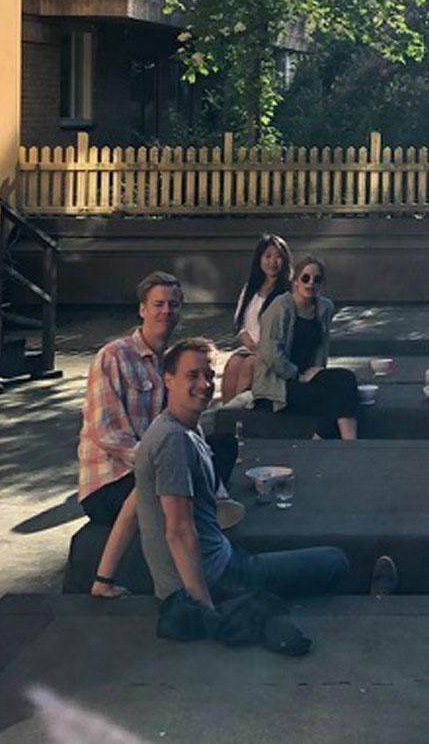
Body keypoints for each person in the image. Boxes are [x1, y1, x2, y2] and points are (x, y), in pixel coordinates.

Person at [136, 338, 356, 632]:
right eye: (192, 376)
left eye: (209, 376)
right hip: (217, 578)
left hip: (220, 559)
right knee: (335, 561)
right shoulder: (173, 440)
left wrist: (103, 577)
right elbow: (178, 531)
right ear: (168, 379)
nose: (204, 384)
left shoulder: (182, 427)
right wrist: (204, 607)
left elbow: (133, 505)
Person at [79, 271, 235, 599]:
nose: (166, 311)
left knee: (222, 445)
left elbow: (188, 430)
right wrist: (156, 462)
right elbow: (107, 432)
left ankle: (212, 507)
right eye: (158, 304)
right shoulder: (113, 356)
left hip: (158, 463)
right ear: (142, 310)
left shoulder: (174, 363)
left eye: (173, 305)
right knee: (155, 484)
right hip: (111, 479)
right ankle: (105, 579)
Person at [251, 256, 361, 440]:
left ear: (322, 283)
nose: (310, 283)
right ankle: (345, 441)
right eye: (305, 278)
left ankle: (332, 438)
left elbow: (321, 346)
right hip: (279, 385)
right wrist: (297, 375)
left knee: (346, 378)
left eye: (316, 279)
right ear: (295, 280)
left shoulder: (324, 307)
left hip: (308, 377)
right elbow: (269, 353)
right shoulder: (280, 306)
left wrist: (317, 371)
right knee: (338, 394)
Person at [221, 233, 292, 403]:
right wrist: (249, 343)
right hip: (250, 347)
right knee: (232, 365)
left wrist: (263, 349)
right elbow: (239, 324)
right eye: (267, 256)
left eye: (278, 257)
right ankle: (225, 415)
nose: (272, 262)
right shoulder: (250, 288)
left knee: (248, 367)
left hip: (273, 352)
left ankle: (240, 418)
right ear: (259, 259)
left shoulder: (288, 292)